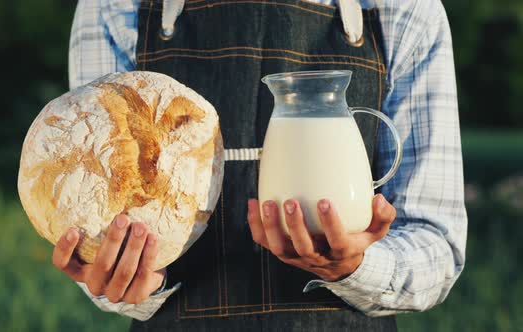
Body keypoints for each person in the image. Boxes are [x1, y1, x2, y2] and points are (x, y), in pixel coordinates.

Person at [51, 0, 467, 330]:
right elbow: (95, 223)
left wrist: (359, 267)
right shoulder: (113, 7)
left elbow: (436, 245)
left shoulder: (403, 8)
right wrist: (132, 283)